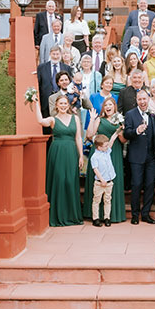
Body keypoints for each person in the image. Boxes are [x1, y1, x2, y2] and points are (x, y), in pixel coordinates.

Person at [34, 93, 85, 227]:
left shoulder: (75, 118)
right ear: (56, 105)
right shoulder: (53, 119)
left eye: (65, 103)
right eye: (60, 103)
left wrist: (80, 155)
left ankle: (71, 216)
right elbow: (40, 121)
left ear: (68, 105)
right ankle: (58, 215)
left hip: (71, 152)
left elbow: (78, 138)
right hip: (57, 153)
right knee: (60, 180)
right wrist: (35, 103)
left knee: (70, 181)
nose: (63, 106)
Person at [85, 96, 127, 223]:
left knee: (113, 181)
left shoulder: (120, 121)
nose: (108, 107)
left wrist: (121, 131)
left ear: (115, 107)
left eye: (111, 105)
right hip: (98, 152)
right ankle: (95, 215)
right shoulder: (100, 120)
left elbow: (123, 140)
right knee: (97, 182)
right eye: (106, 105)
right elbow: (89, 136)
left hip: (114, 152)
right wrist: (92, 120)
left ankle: (111, 215)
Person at [123, 89, 155, 224]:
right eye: (140, 99)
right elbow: (126, 133)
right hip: (136, 156)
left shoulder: (153, 115)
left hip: (151, 157)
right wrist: (136, 131)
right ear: (136, 100)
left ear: (148, 99)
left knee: (149, 185)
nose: (142, 102)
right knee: (136, 185)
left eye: (144, 99)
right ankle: (135, 215)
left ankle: (146, 214)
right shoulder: (130, 114)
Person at [36, 45, 73, 118]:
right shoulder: (42, 67)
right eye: (53, 54)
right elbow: (39, 84)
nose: (55, 56)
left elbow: (69, 84)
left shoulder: (67, 68)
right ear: (50, 54)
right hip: (46, 100)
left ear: (61, 54)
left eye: (57, 54)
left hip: (63, 100)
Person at [89, 134, 117, 227]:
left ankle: (107, 218)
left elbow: (112, 141)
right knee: (97, 200)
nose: (107, 147)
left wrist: (117, 132)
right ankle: (95, 218)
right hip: (99, 183)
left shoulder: (107, 152)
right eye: (105, 146)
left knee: (107, 200)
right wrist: (102, 180)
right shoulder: (95, 156)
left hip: (109, 182)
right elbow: (95, 169)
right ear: (99, 147)